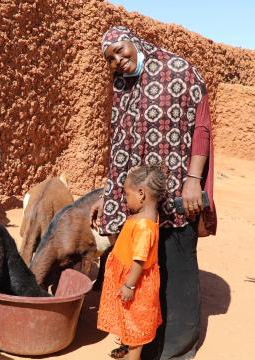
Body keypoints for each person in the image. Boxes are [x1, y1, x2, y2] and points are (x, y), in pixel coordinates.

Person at [97, 26, 217, 360]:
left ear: (133, 42)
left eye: (121, 50)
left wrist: (193, 179)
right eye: (110, 58)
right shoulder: (122, 84)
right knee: (146, 271)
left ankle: (177, 349)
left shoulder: (178, 69)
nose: (118, 60)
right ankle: (141, 339)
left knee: (177, 268)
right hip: (141, 200)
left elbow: (202, 127)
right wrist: (110, 195)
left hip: (178, 191)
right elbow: (119, 141)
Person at [98, 164, 167, 360]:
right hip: (130, 279)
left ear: (141, 194)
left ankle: (133, 356)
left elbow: (139, 260)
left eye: (127, 195)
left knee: (135, 326)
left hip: (135, 284)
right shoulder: (144, 218)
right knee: (129, 320)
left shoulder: (144, 226)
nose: (125, 200)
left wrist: (129, 284)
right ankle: (128, 350)